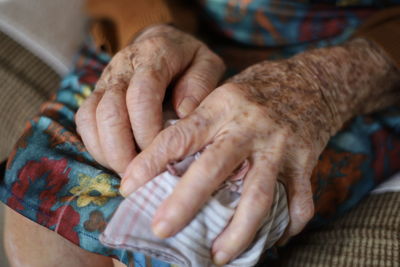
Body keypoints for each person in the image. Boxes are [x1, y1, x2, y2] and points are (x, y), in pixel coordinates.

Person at [1, 0, 400, 266]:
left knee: (206, 224)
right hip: (177, 30)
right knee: (47, 207)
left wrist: (323, 85)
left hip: (364, 57)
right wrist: (153, 26)